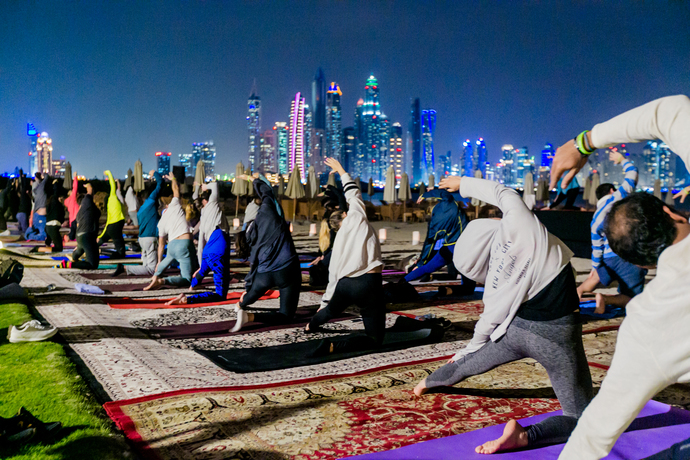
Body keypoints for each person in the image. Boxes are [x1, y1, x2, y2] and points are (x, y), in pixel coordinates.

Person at [413, 175, 592, 456]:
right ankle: (526, 436)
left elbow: (482, 332)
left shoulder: (493, 289)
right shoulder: (521, 225)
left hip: (515, 334)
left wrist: (463, 354)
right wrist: (461, 183)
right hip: (557, 338)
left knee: (470, 363)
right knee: (579, 416)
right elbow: (500, 192)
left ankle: (427, 383)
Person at [554, 95, 690, 459]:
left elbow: (596, 430)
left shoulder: (650, 321)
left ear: (646, 265)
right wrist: (584, 142)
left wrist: (595, 276)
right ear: (670, 212)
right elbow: (671, 111)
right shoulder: (622, 199)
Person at [304, 158, 387, 354]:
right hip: (368, 283)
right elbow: (353, 192)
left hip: (345, 285)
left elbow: (333, 275)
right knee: (375, 339)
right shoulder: (357, 218)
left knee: (331, 311)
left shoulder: (338, 240)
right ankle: (334, 346)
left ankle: (310, 326)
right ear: (343, 217)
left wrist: (324, 304)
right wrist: (341, 170)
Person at [576, 150, 644, 314]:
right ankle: (606, 299)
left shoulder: (595, 219)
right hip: (629, 256)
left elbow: (596, 246)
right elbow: (632, 174)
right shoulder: (618, 197)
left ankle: (574, 296)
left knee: (591, 280)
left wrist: (595, 267)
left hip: (608, 258)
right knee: (633, 299)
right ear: (612, 191)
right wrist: (622, 160)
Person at [231, 173, 300, 332]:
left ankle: (242, 306)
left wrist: (249, 290)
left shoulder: (247, 235)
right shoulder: (269, 213)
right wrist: (254, 179)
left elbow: (253, 264)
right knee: (286, 315)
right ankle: (249, 316)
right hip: (287, 269)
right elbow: (267, 192)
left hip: (263, 275)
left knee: (250, 296)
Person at [399, 188, 475, 295]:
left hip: (448, 248)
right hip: (465, 248)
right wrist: (426, 194)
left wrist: (421, 262)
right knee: (469, 287)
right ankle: (449, 290)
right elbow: (443, 192)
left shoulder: (434, 225)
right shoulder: (449, 202)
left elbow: (429, 245)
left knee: (426, 268)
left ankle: (402, 281)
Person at [144, 174, 197, 290]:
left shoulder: (161, 223)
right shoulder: (174, 206)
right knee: (187, 279)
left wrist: (159, 262)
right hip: (184, 243)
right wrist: (173, 178)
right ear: (166, 207)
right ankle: (162, 281)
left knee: (167, 259)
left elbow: (161, 245)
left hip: (172, 246)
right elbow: (176, 190)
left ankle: (156, 276)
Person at [166, 226, 231, 306]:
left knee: (202, 271)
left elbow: (201, 245)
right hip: (218, 254)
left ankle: (193, 285)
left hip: (207, 252)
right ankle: (186, 299)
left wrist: (201, 263)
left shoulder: (210, 228)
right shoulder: (221, 226)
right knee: (220, 295)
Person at [115, 170, 163, 277]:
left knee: (146, 266)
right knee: (151, 270)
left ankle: (126, 269)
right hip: (150, 239)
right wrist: (154, 173)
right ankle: (124, 268)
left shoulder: (141, 210)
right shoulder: (151, 201)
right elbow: (161, 183)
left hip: (142, 239)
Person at [58, 183, 101, 269]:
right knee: (93, 265)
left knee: (81, 249)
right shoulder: (86, 203)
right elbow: (90, 192)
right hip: (87, 237)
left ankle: (74, 256)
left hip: (84, 237)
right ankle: (68, 264)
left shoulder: (81, 212)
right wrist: (89, 186)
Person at [194, 180, 229, 267]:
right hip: (212, 233)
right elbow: (195, 197)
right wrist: (201, 186)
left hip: (214, 235)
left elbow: (214, 185)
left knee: (217, 256)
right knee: (203, 250)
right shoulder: (206, 208)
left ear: (204, 200)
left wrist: (204, 187)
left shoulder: (211, 204)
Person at [97, 170, 126, 259]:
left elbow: (107, 223)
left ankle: (86, 249)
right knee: (121, 254)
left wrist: (100, 236)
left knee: (99, 241)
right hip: (116, 226)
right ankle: (100, 251)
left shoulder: (109, 207)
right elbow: (112, 185)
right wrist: (108, 173)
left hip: (111, 227)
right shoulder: (112, 197)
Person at [25, 172, 49, 241]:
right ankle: (29, 236)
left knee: (34, 229)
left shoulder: (37, 189)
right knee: (44, 236)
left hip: (36, 214)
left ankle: (28, 235)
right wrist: (45, 174)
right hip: (41, 216)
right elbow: (46, 178)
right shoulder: (41, 187)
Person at [44, 180, 65, 253]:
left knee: (49, 242)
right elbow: (56, 192)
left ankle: (44, 247)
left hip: (48, 226)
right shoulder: (54, 202)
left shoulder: (50, 205)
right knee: (59, 248)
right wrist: (55, 183)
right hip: (53, 226)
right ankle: (39, 249)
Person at [63, 172, 80, 241]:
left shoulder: (66, 201)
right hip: (77, 217)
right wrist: (75, 177)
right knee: (76, 232)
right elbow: (75, 187)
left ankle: (68, 238)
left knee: (73, 232)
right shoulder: (72, 198)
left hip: (72, 218)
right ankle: (67, 238)